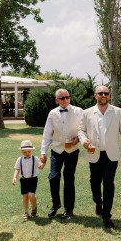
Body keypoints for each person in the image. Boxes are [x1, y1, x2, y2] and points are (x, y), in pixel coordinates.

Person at [80, 82, 121, 231]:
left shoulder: (117, 112)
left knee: (109, 184)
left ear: (109, 96)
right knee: (94, 182)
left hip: (111, 155)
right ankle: (98, 202)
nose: (103, 96)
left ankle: (107, 216)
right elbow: (81, 130)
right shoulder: (87, 112)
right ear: (95, 95)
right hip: (93, 153)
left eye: (106, 93)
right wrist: (84, 141)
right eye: (100, 93)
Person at [39, 89, 84, 220]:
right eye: (62, 98)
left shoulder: (78, 111)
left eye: (67, 97)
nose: (65, 100)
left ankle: (68, 209)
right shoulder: (52, 113)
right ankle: (55, 204)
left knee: (69, 178)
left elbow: (83, 128)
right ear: (57, 100)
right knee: (53, 177)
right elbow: (47, 133)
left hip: (72, 150)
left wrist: (78, 139)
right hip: (56, 150)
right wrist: (43, 151)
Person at [12, 137, 40, 219]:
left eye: (29, 152)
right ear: (21, 152)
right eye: (25, 152)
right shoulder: (19, 159)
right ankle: (25, 212)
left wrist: (44, 162)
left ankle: (34, 206)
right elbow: (17, 169)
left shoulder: (35, 158)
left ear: (32, 151)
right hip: (23, 180)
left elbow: (40, 166)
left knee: (31, 195)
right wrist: (14, 177)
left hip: (33, 179)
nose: (27, 153)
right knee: (25, 196)